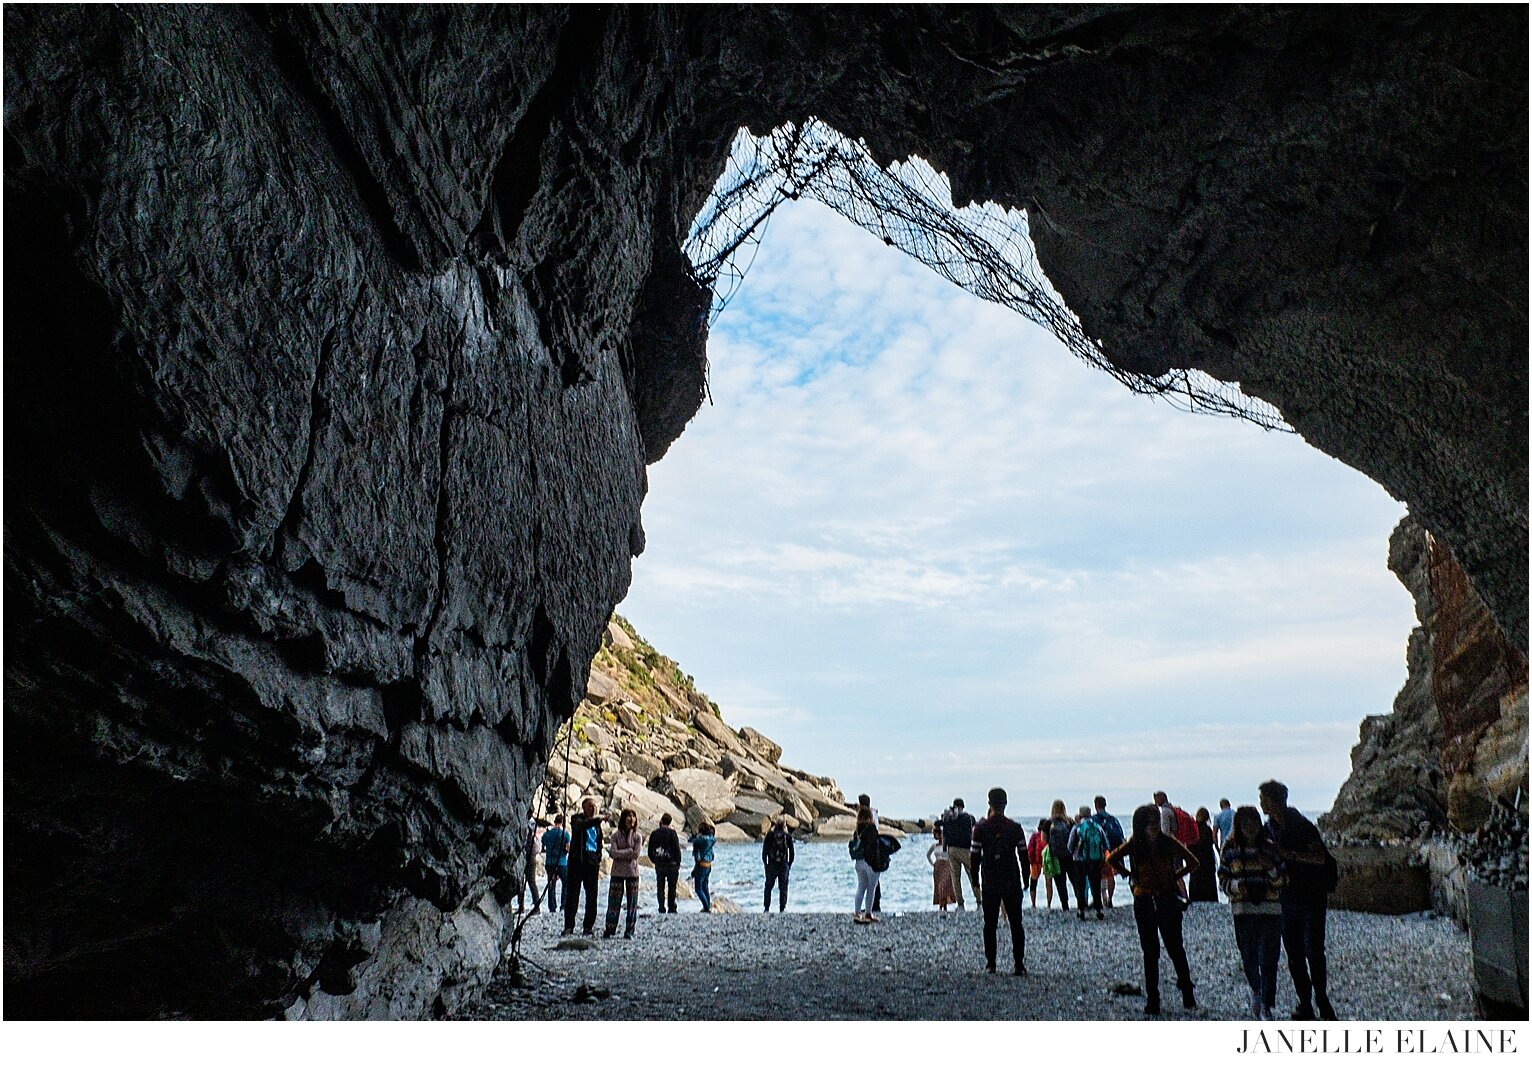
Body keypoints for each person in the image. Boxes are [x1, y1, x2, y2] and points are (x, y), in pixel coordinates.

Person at [1109, 804, 1199, 1015]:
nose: (1155, 826)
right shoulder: (1135, 844)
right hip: (1144, 900)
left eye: (1157, 821)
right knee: (1150, 952)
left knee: (1175, 947)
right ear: (1140, 824)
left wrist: (1174, 877)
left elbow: (1193, 862)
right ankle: (1153, 999)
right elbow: (1112, 858)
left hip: (1167, 898)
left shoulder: (1167, 842)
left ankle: (1187, 994)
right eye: (1150, 822)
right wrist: (1130, 875)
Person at [1260, 779, 1337, 1021]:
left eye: (1263, 798)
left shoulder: (1301, 824)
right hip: (1287, 897)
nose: (1261, 802)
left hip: (1312, 895)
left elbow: (1319, 857)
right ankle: (1306, 1004)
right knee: (1294, 953)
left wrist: (1288, 855)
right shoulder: (1269, 827)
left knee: (1314, 951)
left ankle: (1323, 1002)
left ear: (1274, 801)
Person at [1219, 805, 1286, 1020]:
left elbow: (1284, 880)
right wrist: (1238, 887)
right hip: (1242, 910)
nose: (1250, 828)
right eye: (1245, 823)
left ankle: (1267, 1004)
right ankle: (1257, 991)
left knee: (1269, 958)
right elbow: (1223, 879)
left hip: (1270, 909)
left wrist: (1271, 869)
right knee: (1248, 956)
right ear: (1238, 826)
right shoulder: (1229, 850)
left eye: (1253, 823)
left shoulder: (1270, 849)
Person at [971, 787, 1027, 975]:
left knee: (990, 923)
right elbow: (1023, 855)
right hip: (1011, 877)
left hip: (990, 878)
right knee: (1016, 923)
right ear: (1005, 803)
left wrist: (974, 878)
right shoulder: (1015, 828)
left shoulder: (980, 828)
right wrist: (1026, 877)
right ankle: (1018, 964)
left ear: (989, 804)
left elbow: (975, 855)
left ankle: (991, 963)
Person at [563, 797, 603, 936]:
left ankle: (588, 926)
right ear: (584, 807)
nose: (593, 809)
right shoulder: (576, 820)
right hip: (577, 862)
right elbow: (581, 826)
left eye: (594, 806)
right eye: (590, 806)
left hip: (592, 862)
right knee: (572, 895)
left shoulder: (596, 825)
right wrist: (597, 819)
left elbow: (599, 842)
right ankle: (569, 926)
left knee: (592, 896)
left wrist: (598, 857)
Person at [603, 808, 642, 939]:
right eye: (629, 816)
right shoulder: (615, 835)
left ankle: (629, 931)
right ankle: (610, 928)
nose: (631, 819)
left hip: (632, 873)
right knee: (614, 902)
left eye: (633, 816)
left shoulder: (637, 836)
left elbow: (636, 854)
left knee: (632, 903)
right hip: (618, 872)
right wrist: (628, 851)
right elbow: (614, 853)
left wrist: (623, 852)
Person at [1067, 804, 1107, 920]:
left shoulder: (1077, 827)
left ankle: (1081, 910)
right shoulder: (1098, 827)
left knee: (1080, 884)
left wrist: (1075, 853)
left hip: (1080, 860)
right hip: (1095, 860)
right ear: (1090, 814)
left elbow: (1070, 846)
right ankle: (1099, 909)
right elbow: (1105, 844)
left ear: (1080, 815)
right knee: (1095, 884)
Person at [940, 798, 981, 909]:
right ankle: (979, 902)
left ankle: (961, 904)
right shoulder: (969, 817)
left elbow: (944, 834)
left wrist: (944, 849)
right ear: (963, 806)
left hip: (952, 849)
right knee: (972, 876)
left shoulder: (947, 817)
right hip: (966, 849)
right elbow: (974, 830)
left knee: (955, 879)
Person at [851, 804, 883, 924]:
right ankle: (868, 913)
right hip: (870, 862)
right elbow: (875, 845)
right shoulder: (871, 828)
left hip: (859, 862)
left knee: (861, 887)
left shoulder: (857, 830)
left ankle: (857, 912)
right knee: (871, 889)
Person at [1092, 796, 1126, 908]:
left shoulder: (1094, 819)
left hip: (1101, 850)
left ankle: (1102, 899)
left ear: (1096, 805)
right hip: (1115, 851)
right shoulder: (1113, 819)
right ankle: (1110, 899)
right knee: (1111, 875)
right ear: (1105, 805)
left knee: (1100, 875)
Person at [646, 813, 682, 914]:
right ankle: (671, 907)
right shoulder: (672, 833)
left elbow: (650, 851)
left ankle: (661, 907)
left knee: (660, 886)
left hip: (660, 863)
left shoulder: (654, 833)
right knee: (672, 887)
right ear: (670, 822)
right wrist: (678, 862)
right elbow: (676, 849)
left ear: (661, 821)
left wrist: (654, 860)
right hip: (672, 864)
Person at [1045, 799, 1074, 912]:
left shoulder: (1049, 823)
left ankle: (1065, 905)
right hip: (1069, 855)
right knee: (1074, 879)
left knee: (1060, 882)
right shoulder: (1070, 822)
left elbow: (1044, 839)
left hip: (1055, 856)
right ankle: (1080, 901)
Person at [762, 814, 795, 912]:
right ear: (784, 825)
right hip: (783, 865)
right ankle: (782, 908)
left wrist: (766, 863)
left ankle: (766, 908)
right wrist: (789, 864)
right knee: (783, 887)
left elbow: (764, 851)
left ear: (775, 824)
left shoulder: (770, 835)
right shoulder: (787, 837)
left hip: (772, 864)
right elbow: (792, 853)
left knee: (768, 887)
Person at [1188, 807, 1219, 903]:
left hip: (1195, 860)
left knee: (1195, 882)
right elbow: (1210, 844)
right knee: (1209, 884)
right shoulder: (1207, 830)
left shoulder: (1192, 829)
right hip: (1207, 861)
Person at [541, 813, 570, 913]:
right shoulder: (565, 834)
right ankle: (563, 906)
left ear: (554, 822)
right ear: (562, 823)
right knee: (565, 884)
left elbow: (543, 845)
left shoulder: (547, 834)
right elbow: (568, 848)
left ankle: (552, 907)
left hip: (550, 862)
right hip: (562, 862)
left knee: (551, 884)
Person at [689, 821, 716, 913]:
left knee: (698, 888)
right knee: (705, 886)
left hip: (701, 865)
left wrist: (695, 835)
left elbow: (690, 840)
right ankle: (707, 904)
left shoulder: (701, 839)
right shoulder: (711, 838)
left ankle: (706, 906)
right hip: (708, 865)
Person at [928, 824, 957, 911]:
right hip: (938, 866)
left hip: (946, 865)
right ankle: (941, 905)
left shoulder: (947, 845)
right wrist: (933, 863)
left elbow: (952, 854)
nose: (935, 837)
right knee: (939, 886)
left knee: (945, 886)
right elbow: (928, 855)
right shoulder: (934, 846)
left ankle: (944, 905)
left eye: (936, 834)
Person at [1027, 820, 1049, 908]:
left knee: (1033, 883)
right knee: (1048, 883)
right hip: (1047, 861)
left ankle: (1033, 904)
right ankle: (1049, 904)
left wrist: (1030, 861)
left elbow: (1030, 849)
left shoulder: (1035, 836)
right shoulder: (1048, 836)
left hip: (1035, 862)